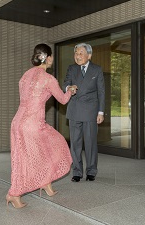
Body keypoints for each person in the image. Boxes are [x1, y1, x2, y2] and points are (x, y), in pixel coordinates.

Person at [6, 43, 76, 208]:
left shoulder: (25, 76)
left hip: (17, 123)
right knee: (58, 145)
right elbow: (63, 100)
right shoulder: (48, 79)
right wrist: (71, 90)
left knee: (21, 160)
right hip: (33, 125)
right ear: (48, 57)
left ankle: (45, 184)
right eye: (51, 57)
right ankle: (13, 194)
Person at [63, 43, 105, 182]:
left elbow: (101, 92)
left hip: (90, 111)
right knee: (75, 143)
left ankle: (91, 170)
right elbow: (65, 84)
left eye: (81, 53)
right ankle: (77, 172)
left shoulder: (97, 70)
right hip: (74, 110)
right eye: (76, 53)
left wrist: (101, 112)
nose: (78, 56)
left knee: (90, 143)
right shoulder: (72, 68)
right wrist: (69, 88)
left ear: (89, 55)